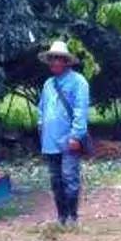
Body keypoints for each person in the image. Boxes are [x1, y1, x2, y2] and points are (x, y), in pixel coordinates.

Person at [37, 40, 91, 227]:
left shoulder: (78, 82)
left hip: (69, 139)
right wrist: (41, 127)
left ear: (66, 61)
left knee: (69, 177)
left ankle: (72, 217)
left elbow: (80, 111)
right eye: (51, 58)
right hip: (49, 141)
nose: (53, 62)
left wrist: (76, 135)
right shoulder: (48, 84)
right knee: (56, 180)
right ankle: (61, 217)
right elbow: (41, 109)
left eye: (57, 58)